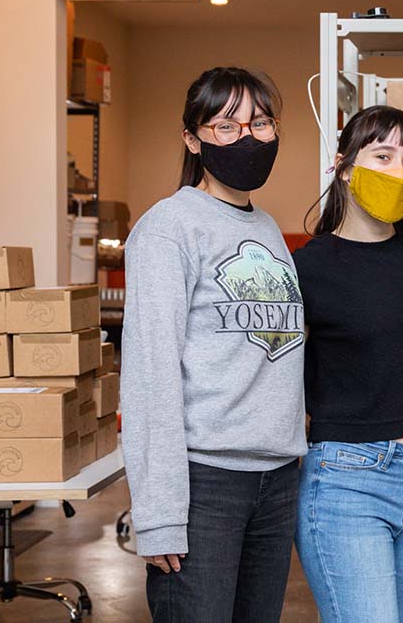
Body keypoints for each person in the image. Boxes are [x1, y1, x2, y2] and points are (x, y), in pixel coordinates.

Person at [122, 67, 305, 622]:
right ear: (192, 139)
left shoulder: (269, 227)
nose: (248, 137)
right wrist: (158, 515)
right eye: (227, 126)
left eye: (261, 123)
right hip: (206, 482)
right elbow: (150, 374)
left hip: (275, 480)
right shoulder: (167, 229)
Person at [293, 105, 403, 623]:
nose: (399, 171)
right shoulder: (309, 265)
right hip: (349, 479)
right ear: (345, 166)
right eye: (383, 155)